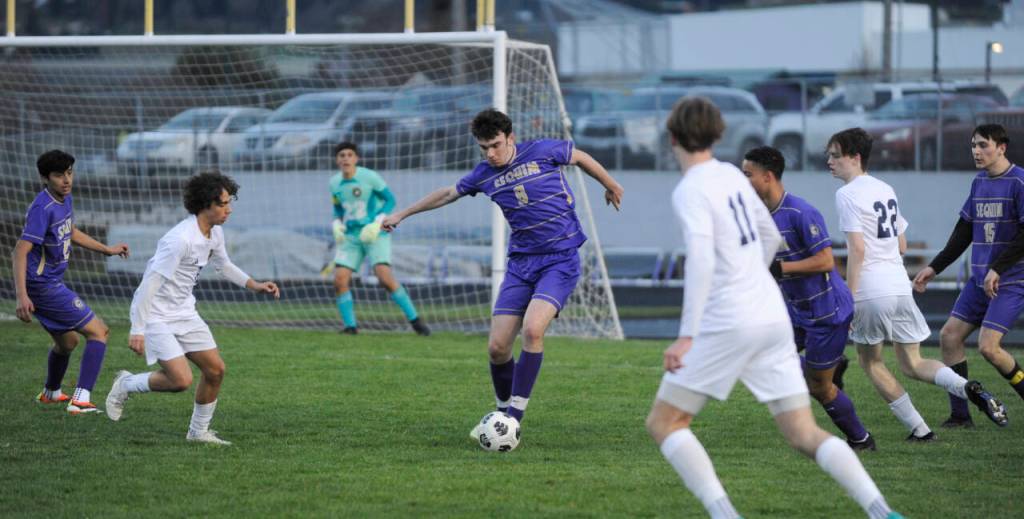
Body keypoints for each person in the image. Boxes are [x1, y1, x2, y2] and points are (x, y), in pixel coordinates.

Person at [646, 97, 901, 519]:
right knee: (803, 432)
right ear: (718, 135)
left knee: (664, 423)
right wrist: (756, 276)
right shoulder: (731, 175)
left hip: (731, 319)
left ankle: (725, 514)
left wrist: (688, 334)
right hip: (771, 316)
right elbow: (767, 235)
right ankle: (882, 511)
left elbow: (703, 259)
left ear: (671, 137)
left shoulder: (691, 188)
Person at [382, 109, 624, 434]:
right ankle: (501, 414)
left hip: (560, 260)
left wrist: (610, 184)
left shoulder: (542, 150)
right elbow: (447, 193)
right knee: (497, 348)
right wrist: (403, 213)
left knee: (533, 331)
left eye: (495, 145)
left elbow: (579, 156)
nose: (490, 154)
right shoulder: (484, 174)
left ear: (510, 137)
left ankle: (512, 421)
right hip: (521, 265)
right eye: (484, 148)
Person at [829, 127, 1006, 438]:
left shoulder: (846, 194)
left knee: (871, 363)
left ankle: (920, 430)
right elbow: (902, 245)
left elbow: (857, 249)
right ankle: (967, 387)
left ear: (855, 157)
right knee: (913, 362)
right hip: (900, 286)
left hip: (871, 290)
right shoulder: (885, 188)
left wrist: (848, 298)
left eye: (834, 155)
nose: (829, 161)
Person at [104, 172, 280, 445]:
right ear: (205, 204)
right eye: (223, 203)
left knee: (216, 370)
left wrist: (255, 285)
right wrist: (137, 329)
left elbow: (224, 266)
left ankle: (198, 433)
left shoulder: (215, 233)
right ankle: (126, 383)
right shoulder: (179, 240)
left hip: (185, 312)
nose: (229, 209)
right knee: (180, 380)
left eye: (229, 202)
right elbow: (148, 285)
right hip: (156, 316)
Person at [741, 146, 874, 450]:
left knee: (819, 386)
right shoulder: (756, 215)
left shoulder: (801, 213)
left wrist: (780, 268)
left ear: (768, 176)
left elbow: (826, 261)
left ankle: (861, 439)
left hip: (827, 312)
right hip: (795, 309)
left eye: (747, 174)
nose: (742, 180)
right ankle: (829, 364)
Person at [913, 123, 1023, 427]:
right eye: (973, 145)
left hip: (1012, 281)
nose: (977, 151)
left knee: (989, 348)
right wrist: (934, 267)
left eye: (983, 145)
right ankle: (961, 417)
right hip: (980, 281)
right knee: (949, 337)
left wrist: (998, 268)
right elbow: (964, 232)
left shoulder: (1019, 182)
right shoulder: (978, 183)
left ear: (1002, 147)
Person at [13, 149, 130, 414]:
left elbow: (71, 231)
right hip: (42, 286)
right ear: (45, 178)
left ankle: (51, 393)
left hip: (48, 283)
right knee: (99, 331)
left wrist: (107, 249)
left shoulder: (64, 199)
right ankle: (80, 400)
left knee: (68, 343)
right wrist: (22, 296)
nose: (66, 180)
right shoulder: (42, 207)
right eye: (58, 175)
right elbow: (20, 250)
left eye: (69, 173)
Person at [329, 142, 429, 336]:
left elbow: (390, 200)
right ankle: (350, 327)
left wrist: (376, 222)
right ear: (337, 160)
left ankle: (415, 321)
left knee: (384, 277)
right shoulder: (334, 183)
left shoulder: (370, 177)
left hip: (375, 233)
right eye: (342, 155)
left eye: (350, 154)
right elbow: (337, 207)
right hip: (351, 236)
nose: (346, 158)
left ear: (356, 159)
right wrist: (336, 222)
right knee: (339, 279)